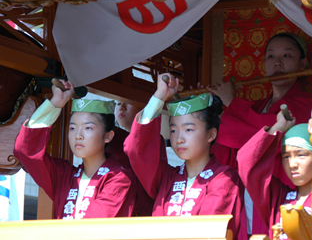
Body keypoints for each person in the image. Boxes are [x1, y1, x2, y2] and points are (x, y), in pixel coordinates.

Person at [206, 32, 312, 236]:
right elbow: (230, 147)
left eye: (286, 56)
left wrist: (232, 103)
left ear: (302, 64)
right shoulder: (256, 107)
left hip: (282, 190)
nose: (277, 63)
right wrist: (209, 110)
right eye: (270, 56)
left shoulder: (308, 102)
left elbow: (262, 132)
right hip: (247, 191)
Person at [124, 73, 244, 239]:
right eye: (173, 130)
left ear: (211, 135)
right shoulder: (167, 177)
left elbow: (212, 232)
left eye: (189, 130)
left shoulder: (224, 179)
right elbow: (136, 149)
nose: (179, 138)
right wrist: (160, 96)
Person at [13, 80, 137, 219]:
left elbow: (92, 229)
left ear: (108, 136)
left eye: (88, 128)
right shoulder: (64, 176)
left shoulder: (119, 179)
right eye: (72, 128)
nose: (78, 136)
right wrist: (56, 103)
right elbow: (26, 151)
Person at [237, 112, 312, 239]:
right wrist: (278, 127)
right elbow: (247, 162)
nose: (292, 164)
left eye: (301, 155)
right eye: (286, 156)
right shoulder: (278, 197)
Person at [106, 101, 155, 216]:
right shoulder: (109, 139)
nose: (121, 108)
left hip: (145, 211)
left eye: (127, 102)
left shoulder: (154, 140)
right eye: (118, 103)